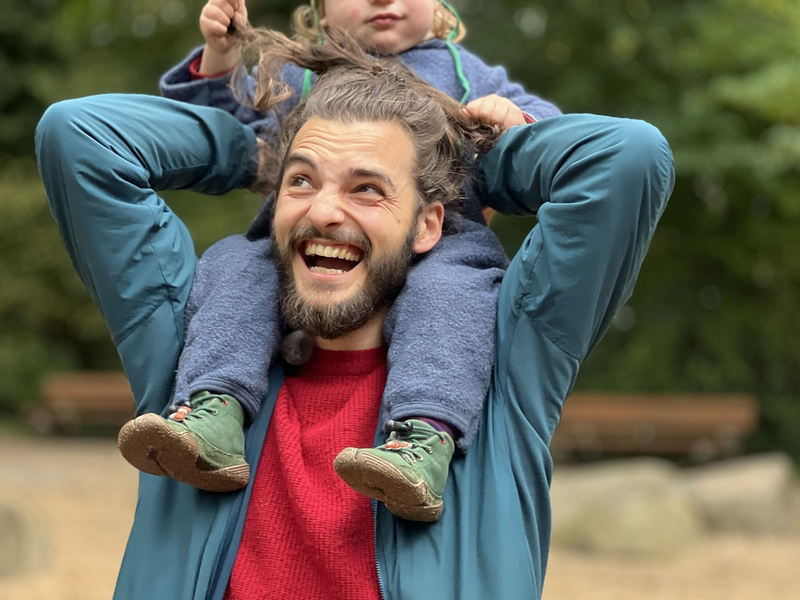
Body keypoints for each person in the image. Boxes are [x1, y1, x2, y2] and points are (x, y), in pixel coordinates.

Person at [35, 29, 674, 599]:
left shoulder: (503, 368)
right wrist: (256, 155)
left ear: (428, 225)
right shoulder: (193, 347)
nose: (323, 212)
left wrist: (490, 162)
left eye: (367, 189)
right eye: (302, 181)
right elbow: (79, 138)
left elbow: (628, 158)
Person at [121, 0, 561, 516]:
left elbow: (551, 130)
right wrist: (221, 56)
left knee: (452, 295)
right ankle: (212, 408)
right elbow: (220, 122)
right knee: (235, 264)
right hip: (306, 246)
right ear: (320, 10)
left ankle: (423, 437)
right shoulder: (304, 70)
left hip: (443, 241)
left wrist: (515, 122)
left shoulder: (466, 72)